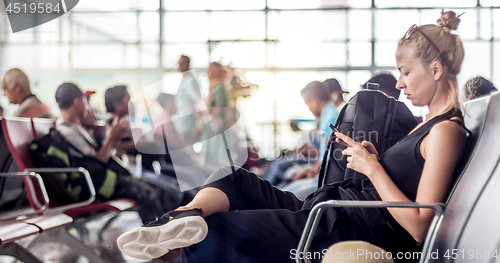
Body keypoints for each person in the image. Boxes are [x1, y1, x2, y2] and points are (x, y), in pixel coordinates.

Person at [117, 10, 468, 263]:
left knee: (216, 230)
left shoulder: (446, 130)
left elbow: (421, 226)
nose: (401, 83)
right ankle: (180, 217)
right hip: (339, 209)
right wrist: (372, 160)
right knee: (234, 178)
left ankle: (182, 230)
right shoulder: (428, 124)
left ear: (435, 70)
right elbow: (408, 182)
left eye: (405, 72)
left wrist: (373, 168)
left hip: (351, 226)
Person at [55, 82, 183, 224]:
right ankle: (155, 237)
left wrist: (111, 141)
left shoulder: (77, 128)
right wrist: (111, 139)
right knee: (149, 194)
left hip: (106, 179)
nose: (88, 105)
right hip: (98, 184)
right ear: (76, 101)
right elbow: (96, 163)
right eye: (85, 100)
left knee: (162, 191)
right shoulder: (66, 131)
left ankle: (168, 232)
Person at [175, 55, 202, 144]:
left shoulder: (190, 81)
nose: (179, 66)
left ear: (187, 65)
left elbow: (198, 101)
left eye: (182, 64)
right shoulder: (184, 80)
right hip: (182, 121)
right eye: (179, 64)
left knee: (188, 148)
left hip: (188, 122)